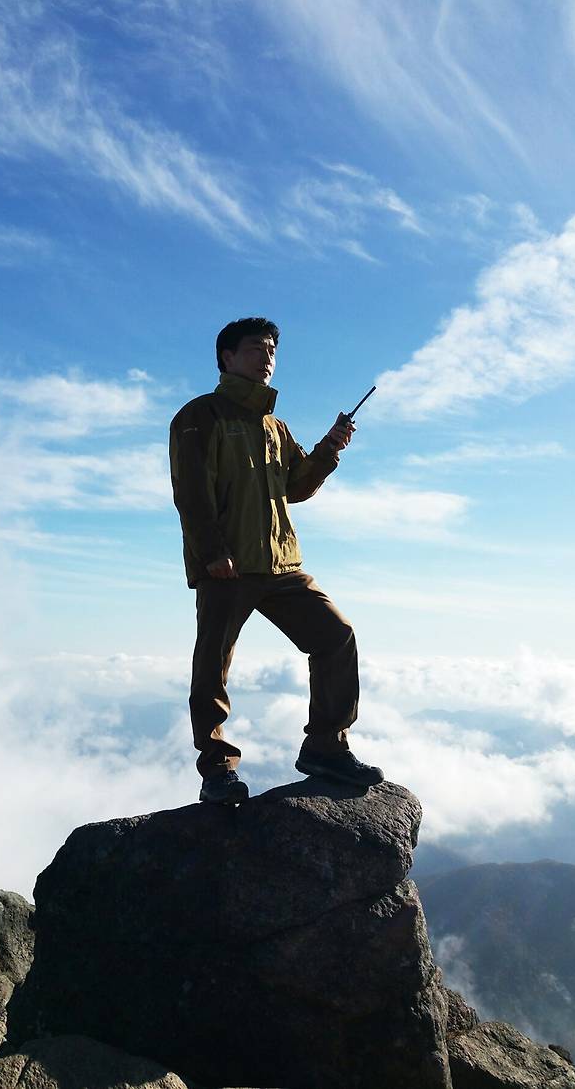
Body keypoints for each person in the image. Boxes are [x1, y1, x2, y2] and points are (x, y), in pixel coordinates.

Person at [169, 317, 384, 803]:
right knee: (212, 669)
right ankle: (218, 769)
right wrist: (212, 553)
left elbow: (296, 489)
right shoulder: (200, 416)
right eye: (255, 348)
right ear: (226, 357)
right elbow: (191, 493)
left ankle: (325, 747)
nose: (266, 357)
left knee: (335, 636)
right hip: (228, 566)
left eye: (271, 350)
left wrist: (329, 449)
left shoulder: (274, 426)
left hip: (282, 564)